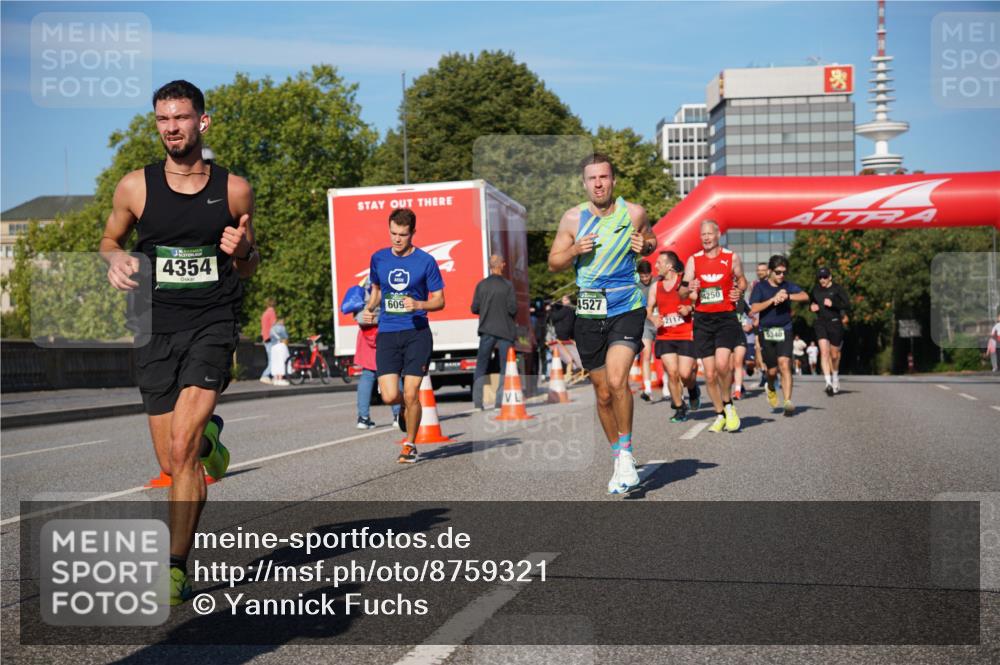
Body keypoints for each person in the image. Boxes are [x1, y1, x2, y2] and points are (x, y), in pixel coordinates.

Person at [100, 80, 258, 605]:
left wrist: (241, 251)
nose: (172, 127)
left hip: (213, 321)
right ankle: (207, 439)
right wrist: (115, 260)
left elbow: (250, 262)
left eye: (182, 118)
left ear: (202, 122)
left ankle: (174, 565)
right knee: (173, 463)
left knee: (180, 449)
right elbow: (109, 239)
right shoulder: (134, 188)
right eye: (164, 119)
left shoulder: (234, 189)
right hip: (154, 327)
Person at [548, 153, 657, 494]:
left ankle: (626, 454)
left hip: (627, 306)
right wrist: (574, 250)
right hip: (590, 313)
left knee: (617, 379)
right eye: (592, 179)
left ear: (613, 181)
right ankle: (618, 455)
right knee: (602, 392)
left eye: (604, 177)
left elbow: (652, 240)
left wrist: (647, 245)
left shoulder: (634, 213)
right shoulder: (572, 219)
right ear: (585, 183)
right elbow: (553, 263)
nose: (598, 184)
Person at [360, 207, 445, 464]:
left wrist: (418, 304)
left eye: (403, 234)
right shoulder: (378, 258)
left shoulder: (426, 261)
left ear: (413, 233)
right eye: (393, 233)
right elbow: (376, 290)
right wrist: (369, 307)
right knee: (388, 395)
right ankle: (404, 412)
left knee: (411, 392)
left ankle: (409, 444)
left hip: (416, 332)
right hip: (387, 332)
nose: (397, 239)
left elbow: (439, 300)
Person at [679, 220, 747, 434]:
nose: (706, 238)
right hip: (703, 320)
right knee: (708, 374)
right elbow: (681, 292)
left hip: (726, 318)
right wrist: (689, 287)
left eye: (710, 234)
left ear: (718, 235)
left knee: (722, 364)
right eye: (703, 235)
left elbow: (742, 280)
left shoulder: (731, 257)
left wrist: (740, 291)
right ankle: (719, 414)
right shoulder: (694, 260)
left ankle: (728, 404)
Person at [750, 255, 810, 416]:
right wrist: (772, 300)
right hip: (766, 331)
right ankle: (770, 386)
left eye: (784, 272)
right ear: (770, 271)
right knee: (771, 371)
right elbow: (753, 309)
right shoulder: (760, 287)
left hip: (785, 329)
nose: (781, 275)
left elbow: (805, 296)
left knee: (785, 364)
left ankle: (788, 401)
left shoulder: (787, 286)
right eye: (778, 272)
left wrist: (788, 296)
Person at [649, 250, 699, 422]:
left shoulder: (683, 283)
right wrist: (653, 317)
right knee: (672, 373)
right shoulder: (656, 286)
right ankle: (679, 407)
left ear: (669, 266)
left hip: (685, 333)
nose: (655, 266)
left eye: (659, 263)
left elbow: (696, 301)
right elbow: (648, 309)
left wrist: (688, 309)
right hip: (665, 336)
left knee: (685, 374)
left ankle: (693, 390)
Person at [353, 280, 402, 429]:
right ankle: (398, 415)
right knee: (393, 374)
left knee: (367, 376)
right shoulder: (389, 285)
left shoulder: (364, 288)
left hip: (366, 336)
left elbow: (357, 313)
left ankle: (363, 418)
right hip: (385, 334)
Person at [471, 255, 517, 410]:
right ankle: (499, 402)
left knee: (481, 366)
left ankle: (478, 403)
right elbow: (513, 309)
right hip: (505, 331)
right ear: (501, 265)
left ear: (491, 266)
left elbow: (474, 308)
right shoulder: (508, 286)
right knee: (505, 367)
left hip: (486, 330)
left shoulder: (481, 285)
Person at [810, 267, 851, 395]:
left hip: (835, 323)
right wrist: (811, 307)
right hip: (821, 323)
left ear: (830, 277)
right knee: (824, 352)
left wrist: (833, 304)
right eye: (820, 277)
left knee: (834, 355)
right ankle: (828, 382)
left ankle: (835, 377)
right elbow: (811, 303)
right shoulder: (815, 289)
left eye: (825, 277)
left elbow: (847, 304)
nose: (822, 280)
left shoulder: (837, 289)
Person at [636, 259, 657, 401]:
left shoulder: (657, 283)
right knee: (646, 354)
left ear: (651, 273)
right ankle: (648, 389)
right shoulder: (636, 286)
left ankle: (668, 386)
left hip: (660, 321)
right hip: (645, 323)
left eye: (647, 276)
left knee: (663, 356)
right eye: (642, 277)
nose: (645, 279)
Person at [548, 294, 583, 378]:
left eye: (564, 300)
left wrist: (550, 310)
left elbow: (554, 317)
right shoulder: (571, 309)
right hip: (568, 333)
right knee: (569, 352)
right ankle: (573, 369)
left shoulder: (566, 309)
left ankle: (569, 371)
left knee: (565, 355)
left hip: (562, 334)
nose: (562, 302)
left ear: (568, 301)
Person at [530, 297, 549, 381]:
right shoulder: (532, 314)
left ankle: (544, 374)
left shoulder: (544, 313)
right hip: (535, 337)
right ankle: (537, 374)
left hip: (542, 337)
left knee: (543, 356)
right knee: (535, 357)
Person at [268, 317, 290, 385]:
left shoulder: (272, 328)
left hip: (273, 347)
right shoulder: (281, 327)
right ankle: (280, 378)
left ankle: (275, 378)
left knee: (275, 362)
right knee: (282, 362)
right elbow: (285, 337)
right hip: (281, 345)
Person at [259, 298, 276, 383]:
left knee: (271, 358)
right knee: (273, 359)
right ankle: (265, 375)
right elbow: (274, 326)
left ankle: (272, 376)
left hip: (265, 338)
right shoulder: (271, 312)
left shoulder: (265, 313)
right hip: (270, 338)